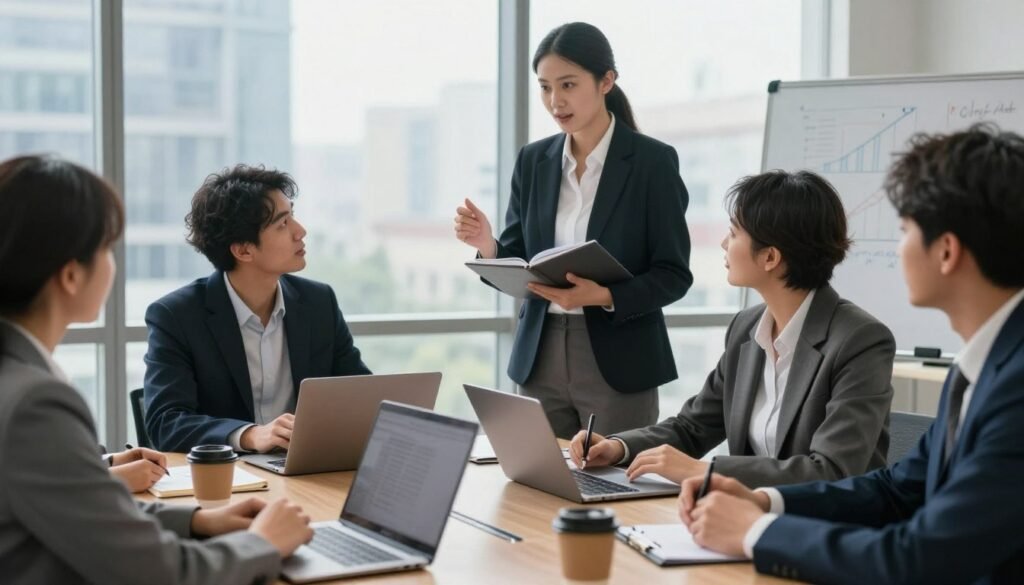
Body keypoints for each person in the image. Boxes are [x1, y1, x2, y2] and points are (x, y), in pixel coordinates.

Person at [679, 124, 1024, 584]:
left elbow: (920, 559)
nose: (896, 248)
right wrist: (765, 502)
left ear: (946, 252)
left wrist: (757, 532)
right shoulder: (981, 366)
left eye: (904, 230)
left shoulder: (1015, 386)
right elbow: (896, 491)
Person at [0, 154, 313, 584]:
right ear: (71, 275)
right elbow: (163, 574)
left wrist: (197, 522)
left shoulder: (15, 378)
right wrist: (263, 542)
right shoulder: (35, 403)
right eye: (106, 249)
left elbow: (86, 514)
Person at [568, 170, 896, 487]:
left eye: (735, 232)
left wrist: (706, 471)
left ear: (770, 257)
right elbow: (692, 427)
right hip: (749, 518)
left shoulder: (859, 341)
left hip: (830, 530)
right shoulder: (747, 327)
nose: (725, 243)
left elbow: (831, 471)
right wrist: (617, 448)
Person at [453, 22, 693, 438]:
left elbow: (674, 275)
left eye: (567, 85)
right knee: (536, 484)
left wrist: (602, 295)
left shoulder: (652, 163)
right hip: (539, 352)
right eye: (545, 87)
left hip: (618, 359)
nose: (555, 101)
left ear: (606, 81)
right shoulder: (533, 161)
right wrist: (488, 246)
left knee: (615, 488)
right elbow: (521, 257)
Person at [144, 164, 371, 453]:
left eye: (293, 216)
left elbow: (360, 395)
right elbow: (166, 422)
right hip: (229, 481)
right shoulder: (177, 316)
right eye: (282, 223)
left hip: (306, 472)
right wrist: (250, 435)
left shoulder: (318, 303)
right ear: (243, 250)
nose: (300, 231)